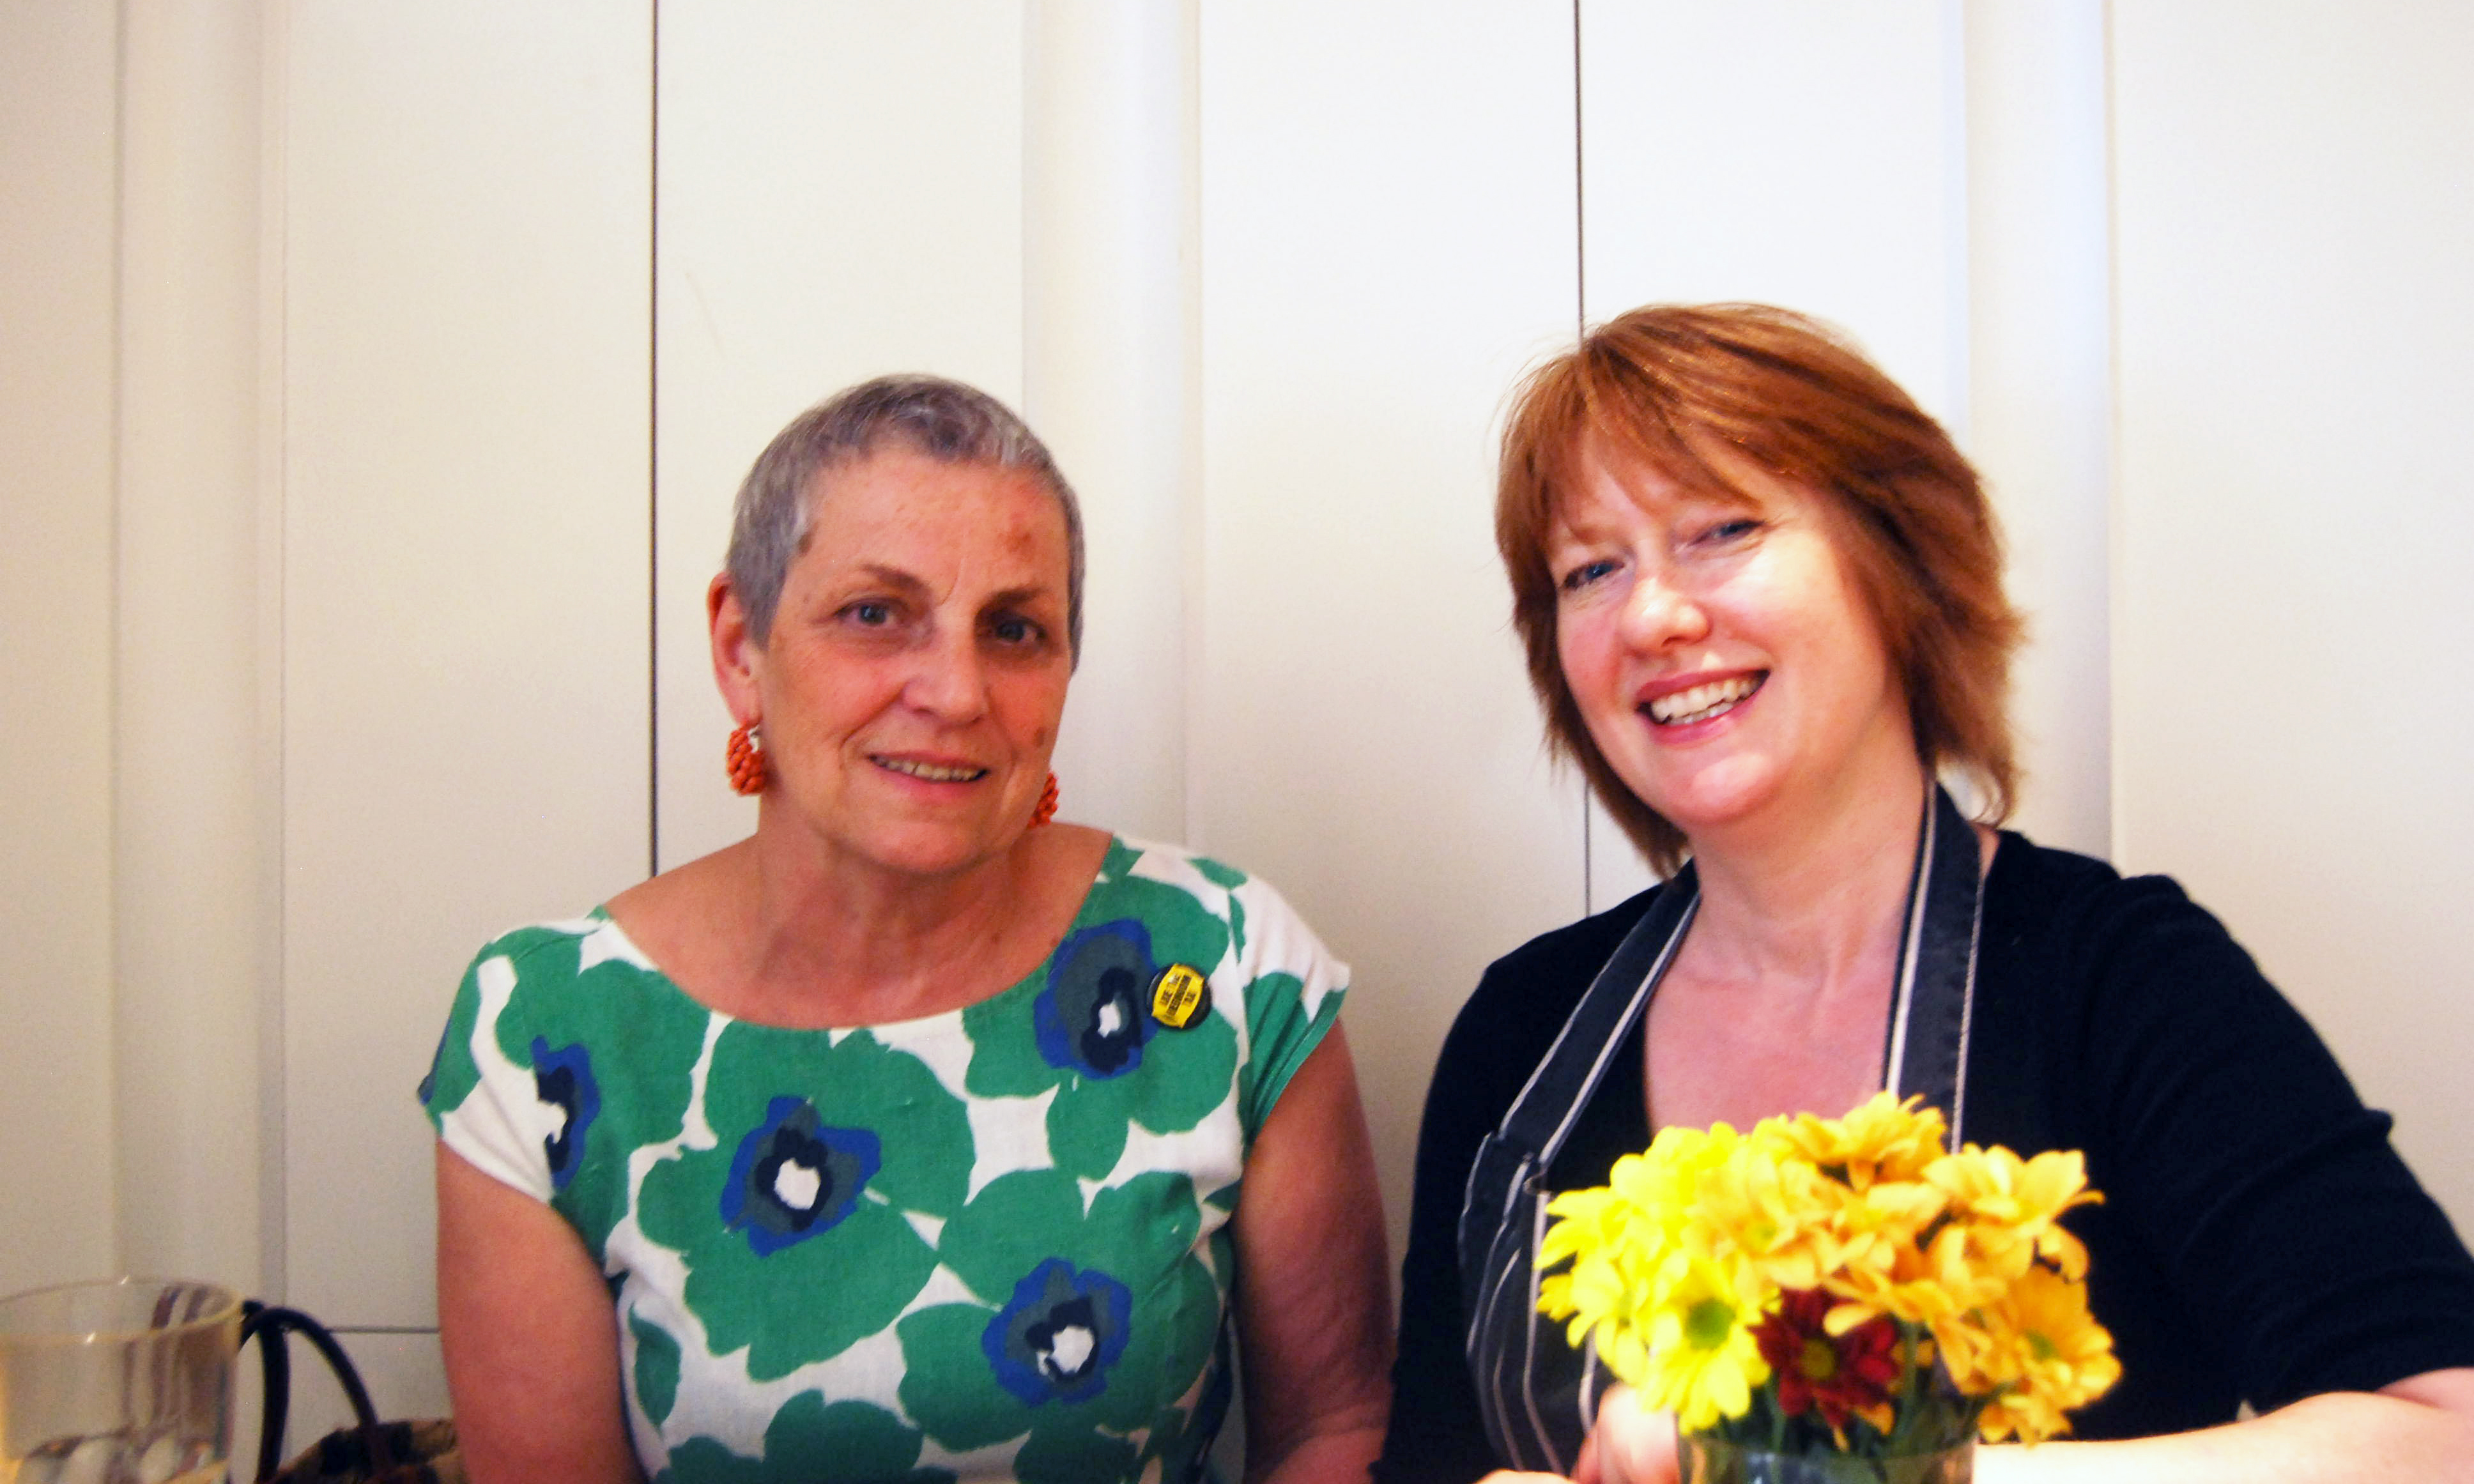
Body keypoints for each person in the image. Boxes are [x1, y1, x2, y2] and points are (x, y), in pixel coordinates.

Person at [1374, 305, 2474, 1483]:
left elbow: (2442, 1430)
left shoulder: (2116, 982)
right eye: (1591, 570)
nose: (1653, 615)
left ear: (1897, 560)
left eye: (1722, 530)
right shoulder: (1522, 1028)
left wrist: (1873, 1471)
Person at [422, 376, 1392, 1484]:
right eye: (876, 614)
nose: (955, 691)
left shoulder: (1226, 969)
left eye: (1015, 630)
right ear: (741, 648)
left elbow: (1334, 1428)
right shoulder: (548, 1037)